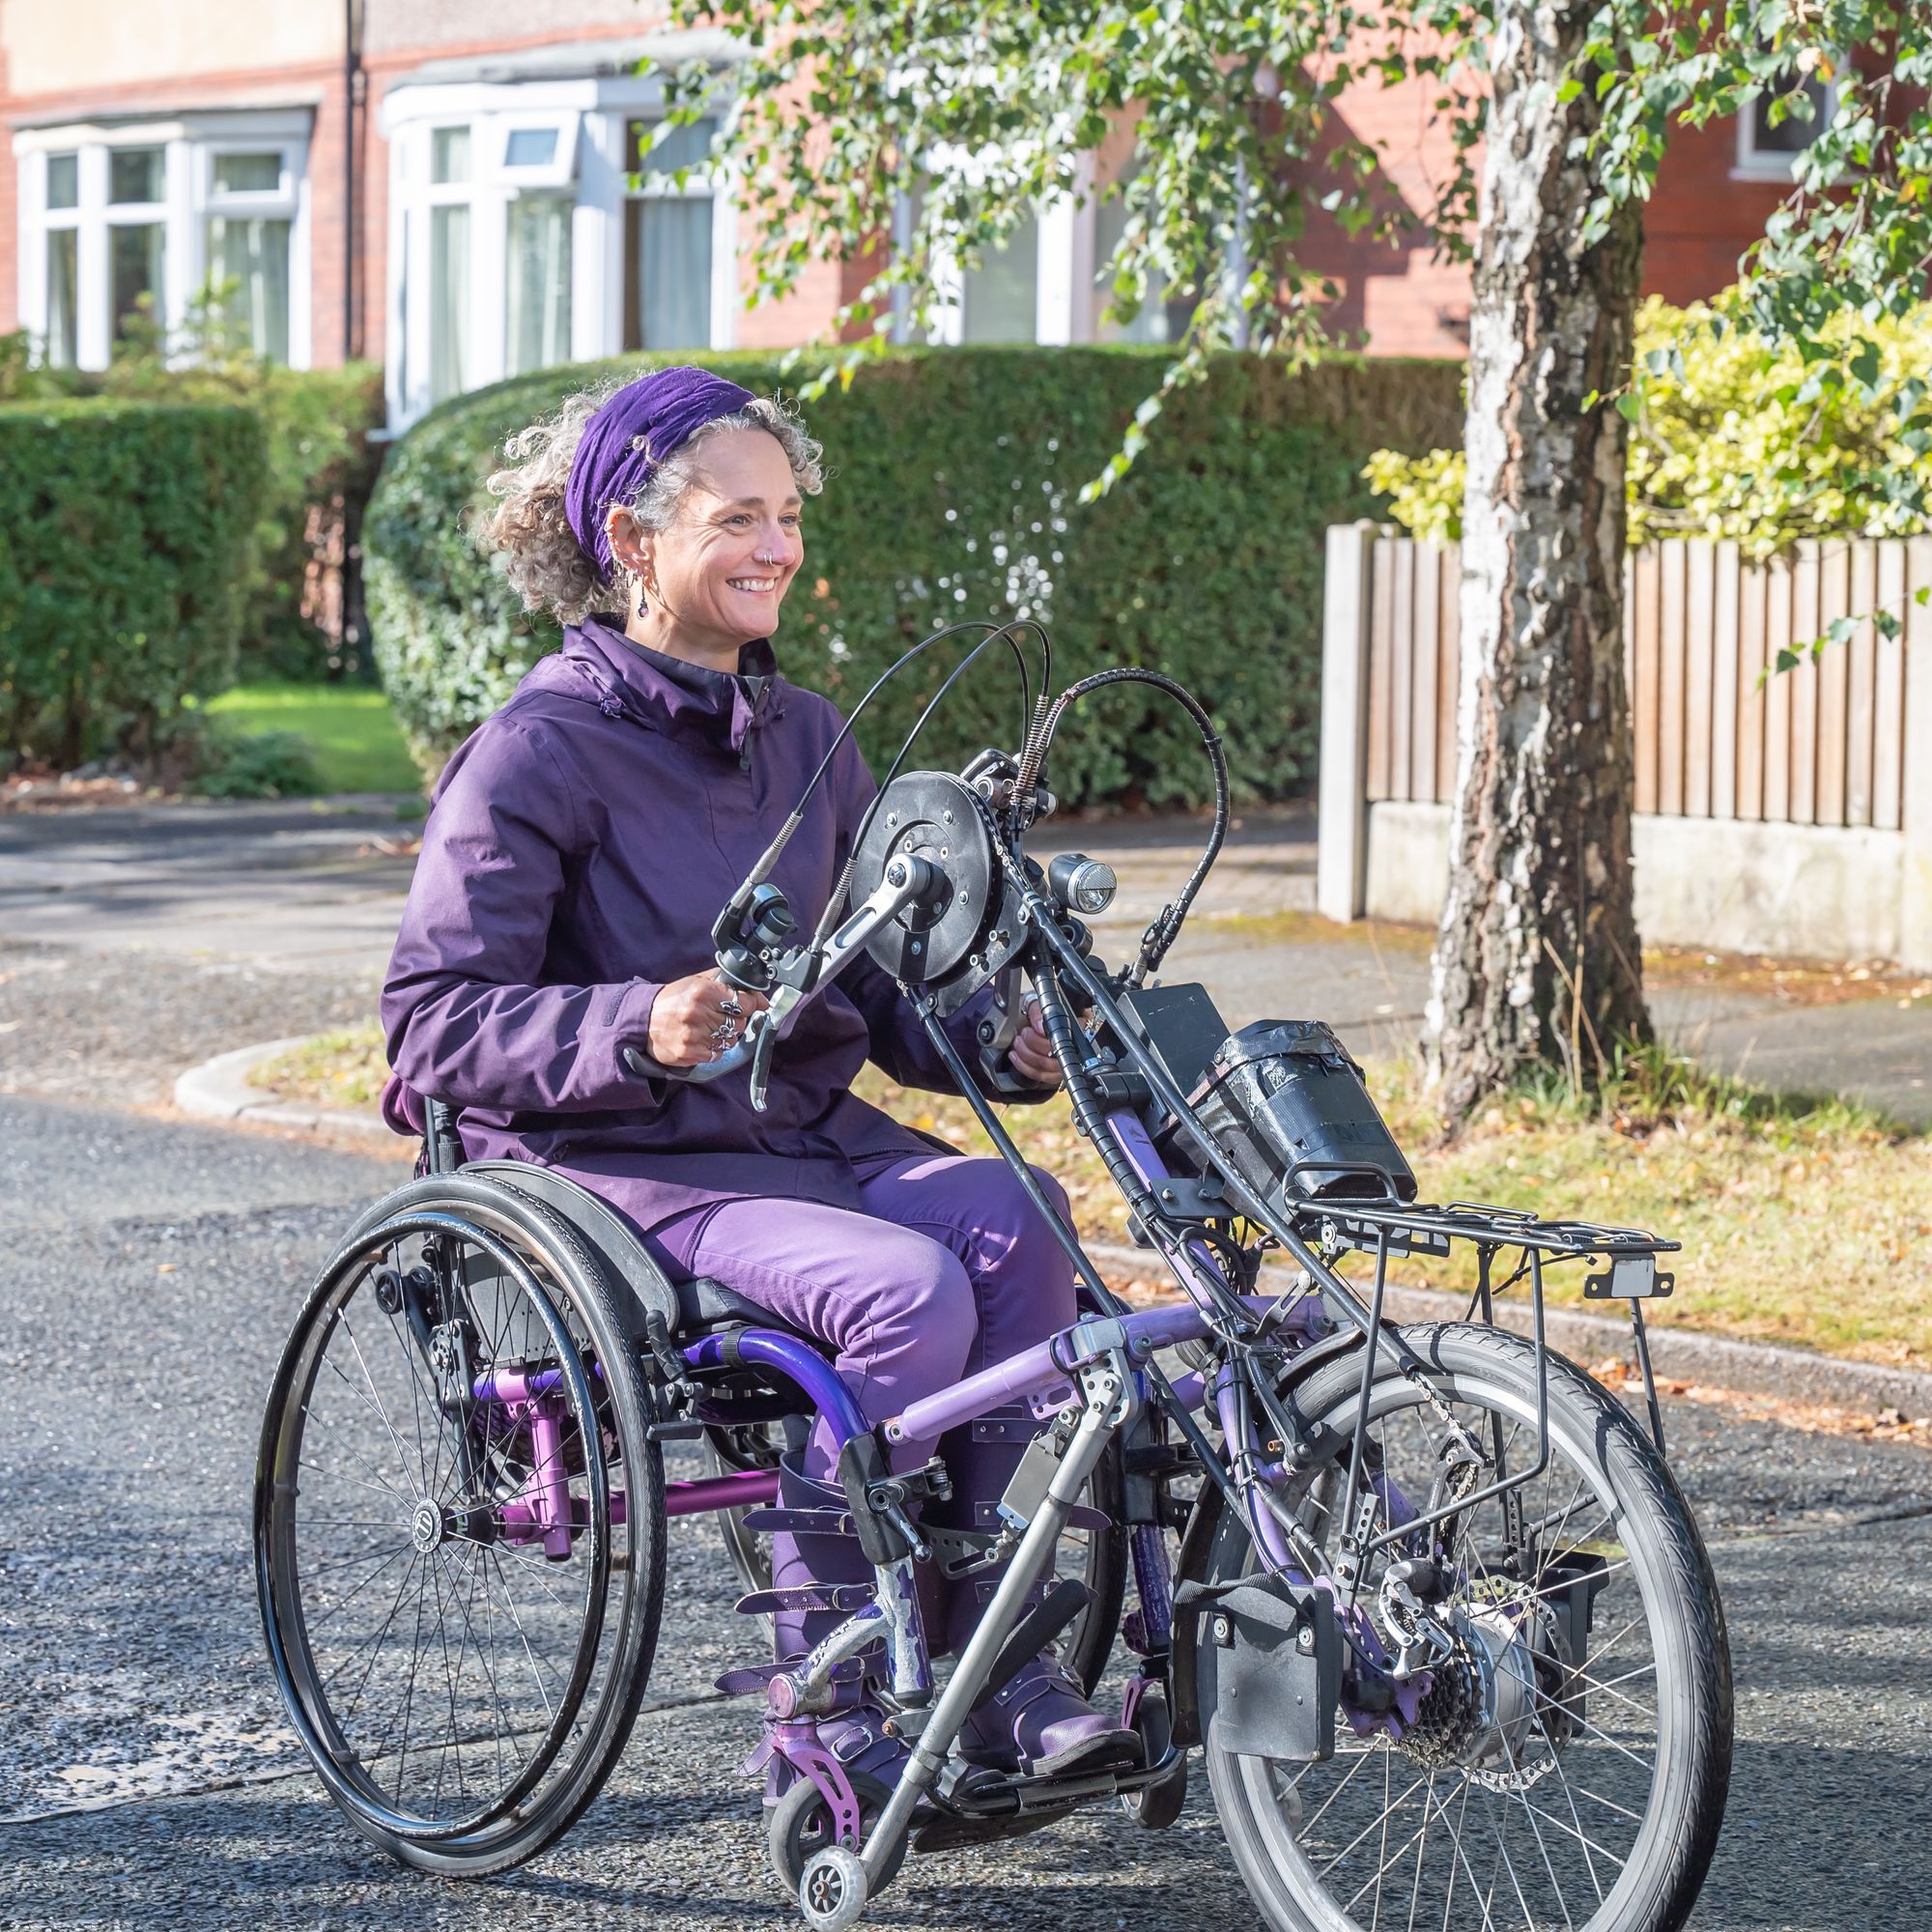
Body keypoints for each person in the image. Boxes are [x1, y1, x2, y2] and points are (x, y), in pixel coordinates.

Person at [378, 365, 1138, 1805]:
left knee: (1016, 1215)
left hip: (795, 1134)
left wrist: (997, 1045)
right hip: (621, 1165)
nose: (777, 547)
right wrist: (635, 1026)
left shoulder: (809, 738)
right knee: (903, 1287)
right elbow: (427, 1027)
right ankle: (828, 1689)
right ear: (631, 539)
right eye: (739, 518)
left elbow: (881, 992)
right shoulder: (537, 750)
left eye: (786, 517)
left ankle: (979, 1646)